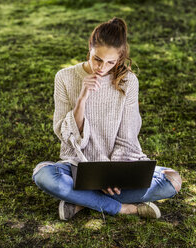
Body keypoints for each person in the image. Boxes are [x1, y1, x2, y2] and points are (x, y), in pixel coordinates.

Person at [32, 17, 182, 221]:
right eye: (98, 59)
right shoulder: (64, 77)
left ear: (120, 58)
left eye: (111, 62)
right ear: (90, 49)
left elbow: (127, 136)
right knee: (43, 175)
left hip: (118, 167)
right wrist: (82, 98)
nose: (102, 68)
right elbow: (64, 134)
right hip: (79, 166)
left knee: (172, 181)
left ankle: (80, 201)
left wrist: (111, 176)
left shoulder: (129, 81)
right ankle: (124, 208)